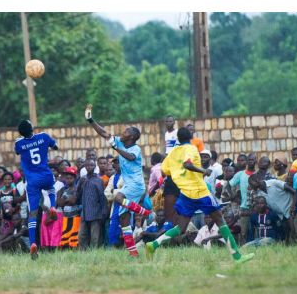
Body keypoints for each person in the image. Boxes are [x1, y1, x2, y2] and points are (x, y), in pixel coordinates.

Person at [145, 127, 254, 264]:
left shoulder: (172, 152)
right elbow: (187, 164)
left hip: (185, 193)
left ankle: (153, 245)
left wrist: (180, 176)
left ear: (178, 138)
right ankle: (237, 257)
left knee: (180, 228)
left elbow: (164, 172)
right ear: (190, 137)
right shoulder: (191, 149)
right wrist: (204, 170)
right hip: (199, 191)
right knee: (220, 220)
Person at [85, 104, 151, 258]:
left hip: (136, 185)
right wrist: (90, 120)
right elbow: (103, 132)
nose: (123, 132)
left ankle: (144, 211)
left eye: (126, 131)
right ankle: (133, 253)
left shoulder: (135, 148)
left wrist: (116, 148)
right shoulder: (120, 143)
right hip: (129, 185)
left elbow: (130, 157)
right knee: (124, 220)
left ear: (132, 137)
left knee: (118, 197)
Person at [14, 120, 59, 259]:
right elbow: (55, 147)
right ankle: (52, 207)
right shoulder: (44, 136)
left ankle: (33, 243)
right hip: (46, 175)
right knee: (51, 189)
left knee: (32, 213)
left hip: (32, 181)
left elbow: (17, 151)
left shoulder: (19, 143)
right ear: (32, 127)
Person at [77, 158, 109, 249]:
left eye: (91, 165)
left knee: (95, 237)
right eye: (87, 165)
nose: (89, 167)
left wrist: (104, 211)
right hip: (85, 212)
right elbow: (78, 195)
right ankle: (82, 252)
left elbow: (102, 197)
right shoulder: (82, 179)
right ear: (85, 167)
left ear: (95, 166)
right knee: (82, 235)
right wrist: (80, 185)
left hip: (95, 212)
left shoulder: (98, 180)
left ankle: (94, 252)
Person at [229, 152, 257, 244]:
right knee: (243, 232)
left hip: (257, 208)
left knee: (255, 231)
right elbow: (229, 185)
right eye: (249, 160)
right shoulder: (240, 174)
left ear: (255, 161)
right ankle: (243, 250)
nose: (250, 161)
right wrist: (234, 197)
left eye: (252, 159)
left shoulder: (258, 174)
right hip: (244, 207)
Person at [56, 166, 81, 249]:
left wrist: (64, 200)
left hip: (76, 217)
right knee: (65, 236)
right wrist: (67, 200)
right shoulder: (62, 189)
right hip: (66, 217)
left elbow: (73, 201)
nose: (68, 180)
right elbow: (59, 203)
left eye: (70, 178)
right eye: (67, 178)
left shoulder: (77, 189)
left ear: (75, 178)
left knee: (74, 238)